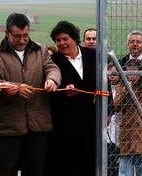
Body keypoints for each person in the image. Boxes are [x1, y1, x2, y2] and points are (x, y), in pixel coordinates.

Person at [0, 13, 61, 176]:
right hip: (10, 126)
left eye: (25, 35)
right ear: (7, 33)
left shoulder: (40, 50)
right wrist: (13, 88)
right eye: (17, 36)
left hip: (38, 124)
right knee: (6, 170)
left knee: (35, 170)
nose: (22, 40)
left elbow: (52, 68)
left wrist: (52, 80)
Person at [48, 21, 96, 176]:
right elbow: (50, 91)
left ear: (75, 38)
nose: (61, 43)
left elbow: (104, 84)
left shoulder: (93, 55)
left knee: (90, 161)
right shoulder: (53, 61)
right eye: (58, 40)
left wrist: (108, 112)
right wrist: (63, 92)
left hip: (92, 119)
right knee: (67, 164)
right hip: (65, 122)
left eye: (65, 39)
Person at [114, 59, 142, 176]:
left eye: (134, 72)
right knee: (125, 169)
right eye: (128, 72)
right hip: (127, 131)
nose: (131, 75)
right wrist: (126, 89)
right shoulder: (122, 86)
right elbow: (116, 106)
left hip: (140, 130)